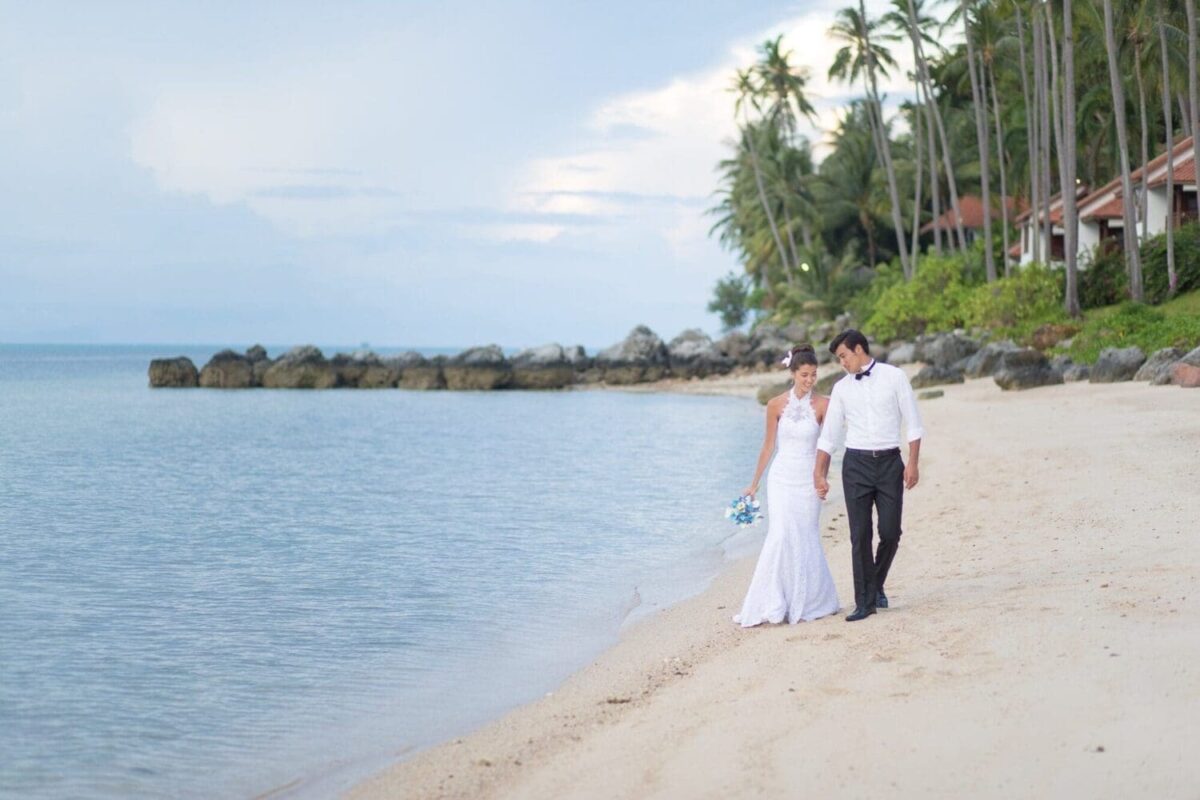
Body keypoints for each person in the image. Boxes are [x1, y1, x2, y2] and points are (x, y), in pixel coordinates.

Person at [814, 329, 924, 622]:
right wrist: (820, 473)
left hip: (889, 463)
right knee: (859, 535)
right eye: (839, 359)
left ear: (859, 348)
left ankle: (875, 584)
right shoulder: (841, 389)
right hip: (856, 466)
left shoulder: (895, 377)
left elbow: (913, 423)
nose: (842, 363)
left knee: (890, 532)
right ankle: (865, 602)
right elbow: (829, 435)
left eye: (844, 356)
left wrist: (912, 463)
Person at [733, 345, 840, 626]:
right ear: (793, 373)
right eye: (804, 375)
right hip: (781, 478)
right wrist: (753, 484)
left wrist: (822, 477)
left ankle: (808, 600)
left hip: (808, 478)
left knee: (805, 535)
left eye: (814, 375)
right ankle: (773, 601)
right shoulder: (775, 405)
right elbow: (768, 446)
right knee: (780, 535)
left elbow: (825, 447)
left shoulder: (824, 405)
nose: (809, 380)